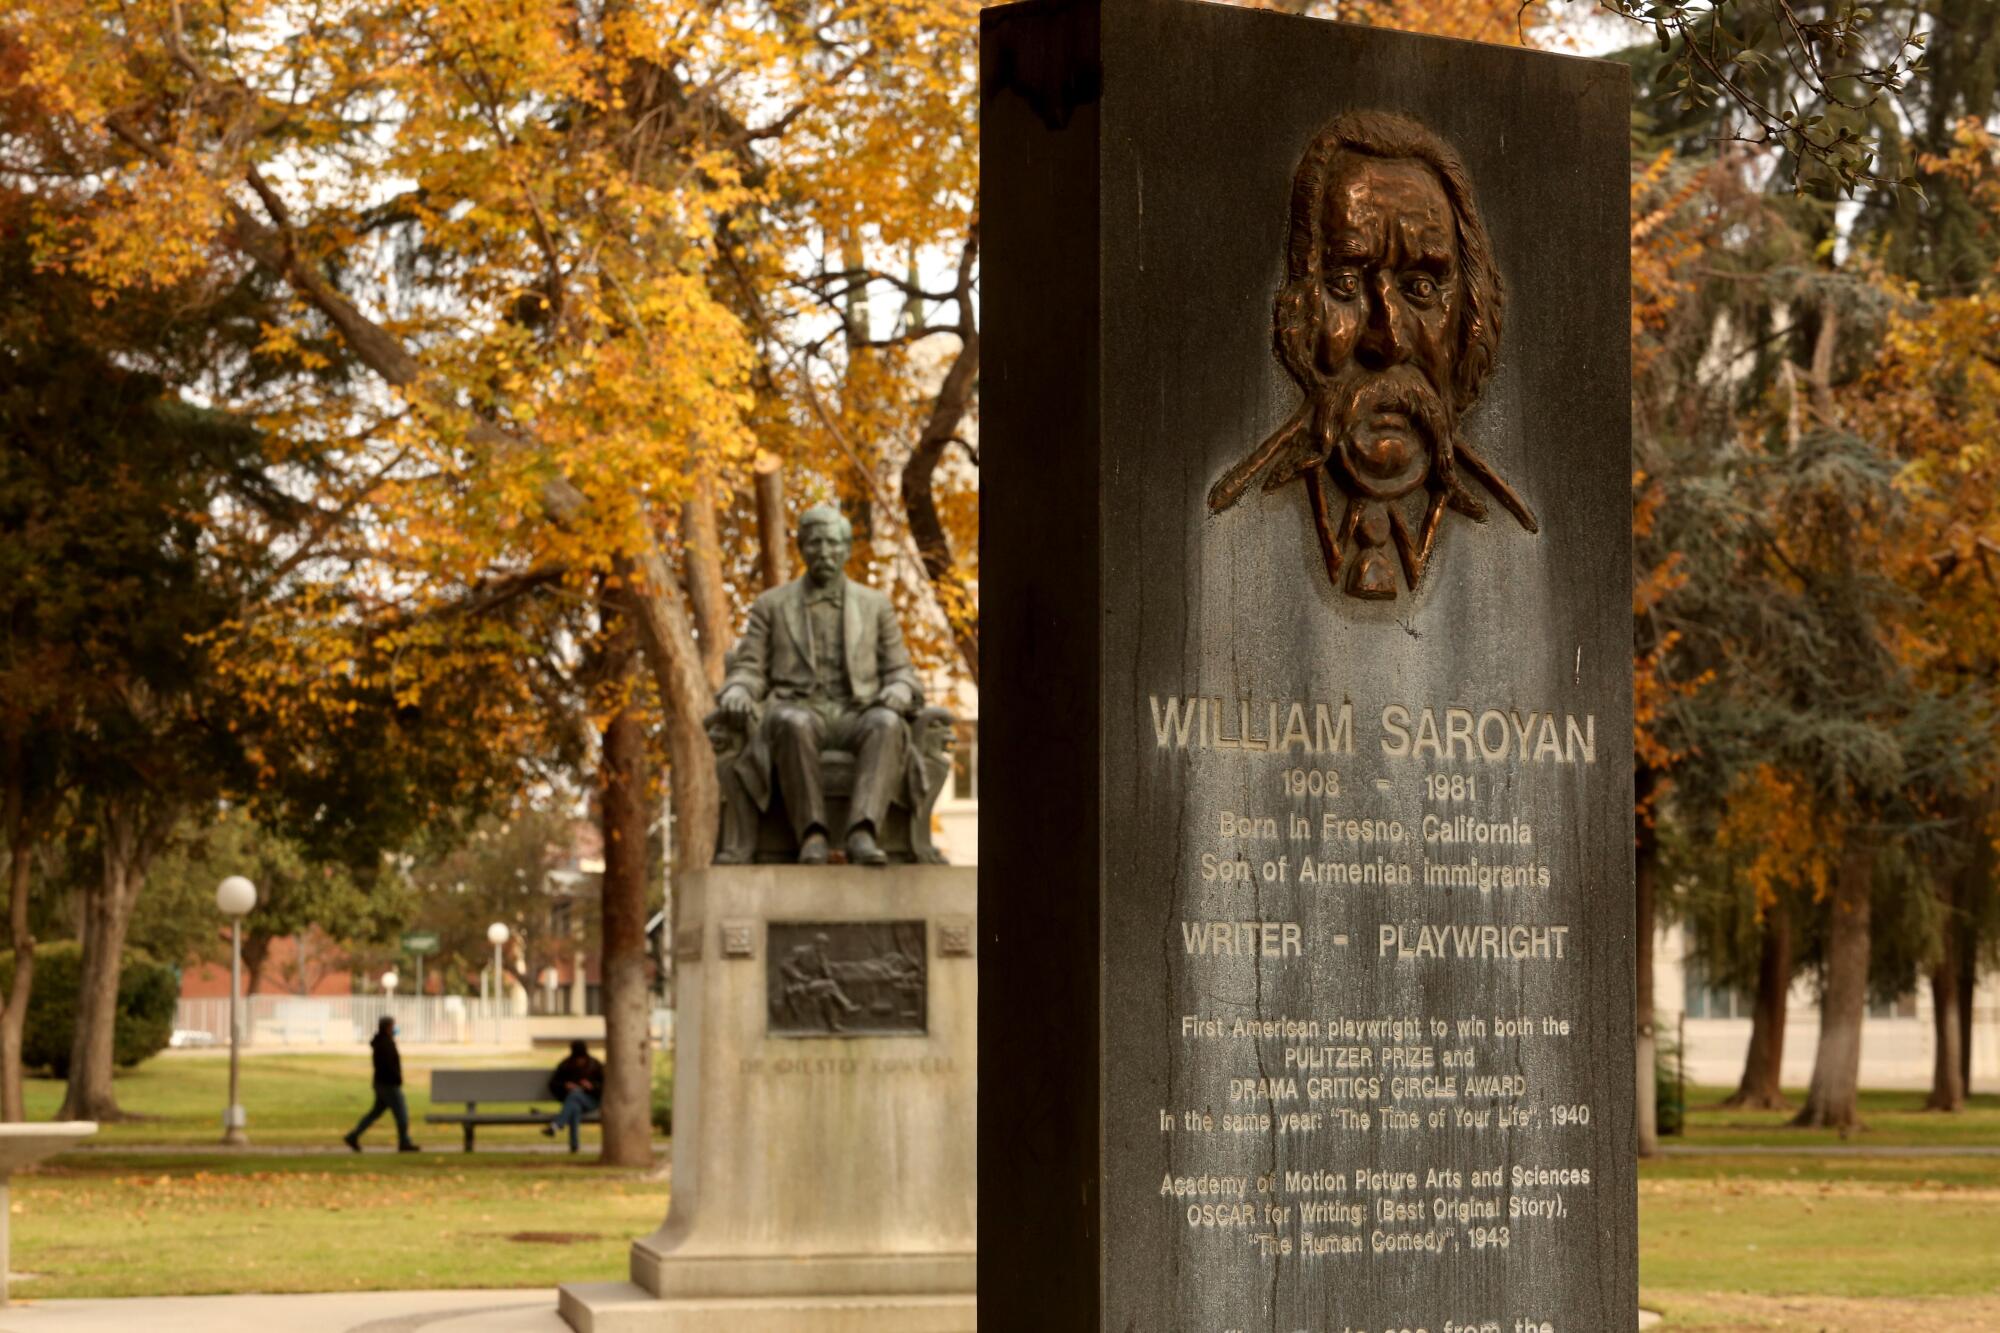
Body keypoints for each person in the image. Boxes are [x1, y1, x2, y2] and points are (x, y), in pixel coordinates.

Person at [1207, 110, 1536, 600]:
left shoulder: (1517, 531)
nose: (1388, 341)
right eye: (1344, 285)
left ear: (1472, 313)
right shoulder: (1230, 509)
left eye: (1421, 288)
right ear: (1298, 307)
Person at [715, 504, 923, 865]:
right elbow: (750, 667)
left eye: (832, 543)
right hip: (798, 709)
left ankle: (863, 831)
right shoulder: (771, 605)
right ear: (801, 549)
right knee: (792, 722)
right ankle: (811, 835)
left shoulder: (876, 606)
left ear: (846, 549)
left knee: (887, 724)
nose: (824, 552)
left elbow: (901, 671)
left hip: (855, 713)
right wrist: (737, 689)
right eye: (815, 544)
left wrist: (900, 690)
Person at [344, 1016, 419, 1153]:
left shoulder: (383, 1042)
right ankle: (404, 1141)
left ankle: (353, 1136)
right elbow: (389, 1066)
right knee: (401, 1114)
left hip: (382, 1083)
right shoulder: (384, 1044)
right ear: (388, 1027)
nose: (395, 1029)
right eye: (393, 1026)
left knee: (374, 1113)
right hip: (388, 1084)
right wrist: (396, 1079)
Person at [543, 1039, 604, 1153]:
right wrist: (565, 1085)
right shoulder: (565, 1065)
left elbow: (605, 1086)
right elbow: (554, 1084)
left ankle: (557, 1125)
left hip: (591, 1101)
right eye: (577, 1059)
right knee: (574, 1107)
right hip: (571, 1102)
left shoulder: (595, 1065)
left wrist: (591, 1087)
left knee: (574, 1095)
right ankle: (574, 1146)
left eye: (581, 1059)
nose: (579, 1061)